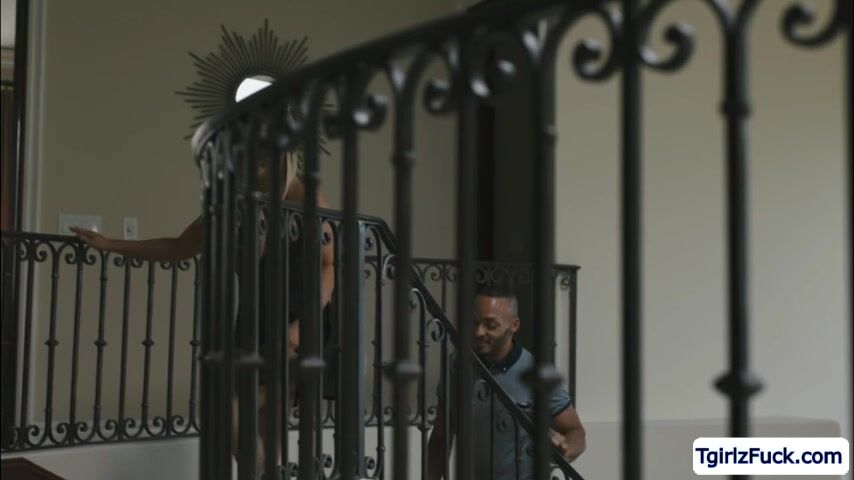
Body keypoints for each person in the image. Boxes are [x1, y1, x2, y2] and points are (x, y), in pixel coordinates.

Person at [72, 153, 335, 473]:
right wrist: (109, 244)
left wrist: (298, 330)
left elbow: (328, 266)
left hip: (298, 321)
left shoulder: (307, 199)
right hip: (253, 321)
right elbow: (180, 247)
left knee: (266, 416)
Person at [427, 284, 585, 480]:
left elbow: (575, 431)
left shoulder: (536, 372)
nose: (478, 332)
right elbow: (440, 438)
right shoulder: (457, 367)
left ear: (514, 325)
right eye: (474, 323)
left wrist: (565, 449)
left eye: (490, 325)